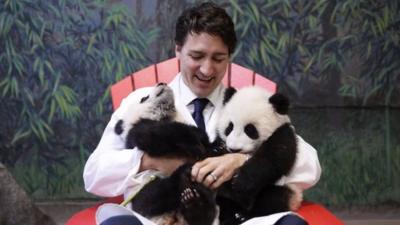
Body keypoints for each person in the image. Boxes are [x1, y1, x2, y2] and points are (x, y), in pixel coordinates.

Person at [83, 2, 321, 225]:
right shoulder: (144, 101)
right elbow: (94, 174)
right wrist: (150, 161)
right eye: (197, 56)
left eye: (218, 58)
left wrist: (243, 162)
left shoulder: (244, 104)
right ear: (178, 50)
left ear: (229, 56)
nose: (207, 69)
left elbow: (309, 165)